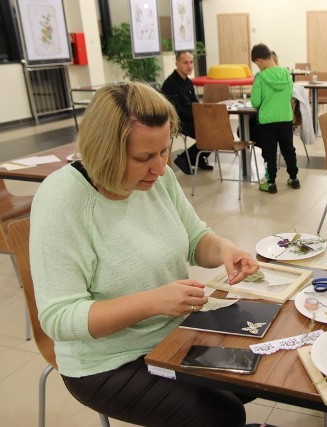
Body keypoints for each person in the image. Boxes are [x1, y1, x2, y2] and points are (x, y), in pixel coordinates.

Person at [29, 81, 260, 427]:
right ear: (103, 151)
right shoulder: (63, 200)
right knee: (222, 414)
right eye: (143, 158)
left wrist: (226, 249)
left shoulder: (158, 177)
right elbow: (59, 318)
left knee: (259, 367)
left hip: (173, 331)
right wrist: (154, 302)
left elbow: (195, 237)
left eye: (165, 151)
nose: (159, 167)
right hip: (107, 362)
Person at [250, 43, 299, 194]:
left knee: (269, 152)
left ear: (260, 61)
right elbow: (290, 95)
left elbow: (255, 102)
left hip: (267, 121)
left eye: (257, 65)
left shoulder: (261, 77)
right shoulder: (287, 74)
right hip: (285, 118)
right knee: (288, 149)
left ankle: (271, 183)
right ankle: (294, 178)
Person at [161, 50, 212, 175]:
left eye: (191, 62)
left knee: (216, 127)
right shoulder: (171, 83)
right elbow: (175, 111)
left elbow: (194, 102)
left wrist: (202, 113)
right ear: (176, 63)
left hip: (191, 118)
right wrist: (197, 117)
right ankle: (183, 158)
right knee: (209, 133)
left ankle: (198, 158)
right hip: (177, 121)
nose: (189, 66)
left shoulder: (188, 82)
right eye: (185, 63)